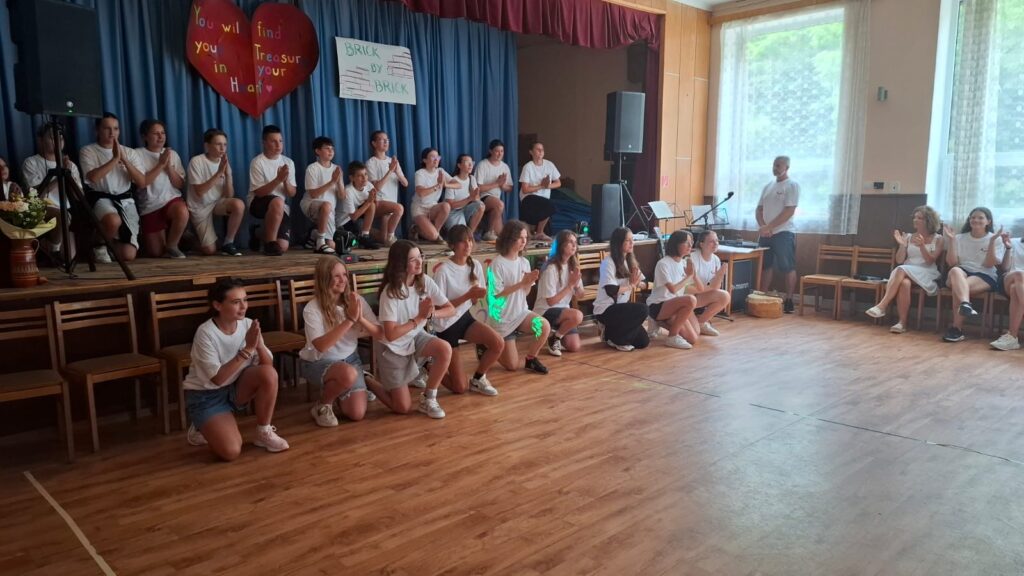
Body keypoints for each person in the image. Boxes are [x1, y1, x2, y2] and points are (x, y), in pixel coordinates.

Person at [182, 277, 289, 460]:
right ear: (217, 305)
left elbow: (267, 368)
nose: (243, 306)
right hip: (207, 396)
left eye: (245, 300)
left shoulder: (247, 324)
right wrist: (247, 349)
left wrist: (259, 345)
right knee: (231, 452)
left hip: (236, 387)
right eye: (235, 302)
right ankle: (200, 425)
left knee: (269, 374)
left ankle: (263, 432)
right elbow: (217, 379)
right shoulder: (205, 333)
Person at [301, 256, 385, 427]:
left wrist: (360, 319)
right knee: (348, 374)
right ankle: (323, 405)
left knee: (356, 413)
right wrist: (350, 320)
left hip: (350, 359)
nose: (343, 280)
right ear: (325, 279)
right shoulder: (312, 308)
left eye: (344, 275)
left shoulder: (356, 300)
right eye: (337, 276)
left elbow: (379, 334)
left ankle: (357, 380)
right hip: (318, 361)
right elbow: (321, 346)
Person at [378, 240, 456, 418]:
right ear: (400, 264)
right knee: (402, 407)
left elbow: (450, 309)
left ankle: (428, 398)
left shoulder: (425, 281)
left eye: (420, 256)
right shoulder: (390, 292)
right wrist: (419, 318)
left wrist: (430, 314)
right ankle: (367, 379)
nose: (419, 262)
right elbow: (390, 334)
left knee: (444, 348)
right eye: (413, 259)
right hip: (392, 347)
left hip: (415, 335)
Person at [431, 225, 504, 396]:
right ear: (452, 245)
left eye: (470, 240)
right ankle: (427, 365)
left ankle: (478, 378)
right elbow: (439, 308)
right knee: (459, 388)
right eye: (463, 242)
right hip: (445, 326)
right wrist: (468, 296)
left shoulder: (475, 265)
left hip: (463, 318)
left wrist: (479, 295)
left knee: (498, 343)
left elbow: (475, 299)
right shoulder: (443, 271)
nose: (468, 245)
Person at [481, 220, 550, 373]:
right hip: (503, 318)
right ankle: (486, 344)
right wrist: (521, 283)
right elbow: (496, 296)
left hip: (520, 313)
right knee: (511, 366)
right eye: (520, 238)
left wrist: (528, 283)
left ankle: (531, 359)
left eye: (525, 238)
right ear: (509, 239)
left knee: (544, 326)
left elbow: (525, 293)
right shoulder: (497, 264)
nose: (524, 242)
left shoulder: (524, 262)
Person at [79, 112, 147, 263]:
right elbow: (92, 178)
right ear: (97, 130)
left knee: (128, 255)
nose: (112, 133)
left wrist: (125, 161)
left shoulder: (129, 152)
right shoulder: (88, 151)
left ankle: (111, 242)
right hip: (101, 198)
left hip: (125, 200)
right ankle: (99, 245)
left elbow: (142, 182)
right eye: (107, 128)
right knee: (113, 220)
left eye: (116, 129)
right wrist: (115, 159)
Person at [865, 206, 944, 333]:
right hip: (907, 270)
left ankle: (882, 305)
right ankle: (902, 323)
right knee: (904, 283)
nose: (915, 220)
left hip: (927, 272)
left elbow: (930, 261)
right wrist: (902, 245)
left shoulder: (938, 239)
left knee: (901, 270)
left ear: (928, 221)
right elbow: (899, 260)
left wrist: (922, 246)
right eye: (915, 217)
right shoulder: (908, 237)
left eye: (919, 218)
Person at [942, 207, 1004, 343]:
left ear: (988, 221)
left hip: (984, 274)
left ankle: (956, 329)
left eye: (980, 218)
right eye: (973, 217)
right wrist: (952, 240)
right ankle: (965, 304)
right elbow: (952, 263)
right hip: (961, 273)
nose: (976, 220)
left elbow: (989, 264)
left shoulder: (995, 239)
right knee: (955, 271)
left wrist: (992, 242)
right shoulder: (959, 238)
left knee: (959, 288)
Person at [22, 125, 82, 259]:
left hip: (66, 212)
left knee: (68, 257)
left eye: (61, 137)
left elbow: (79, 197)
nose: (58, 140)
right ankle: (53, 250)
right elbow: (35, 196)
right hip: (43, 209)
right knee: (61, 215)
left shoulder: (70, 165)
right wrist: (59, 174)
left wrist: (68, 174)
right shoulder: (31, 162)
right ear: (40, 140)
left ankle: (48, 246)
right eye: (52, 137)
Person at [134, 119, 188, 259]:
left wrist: (169, 167)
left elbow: (180, 185)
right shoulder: (136, 154)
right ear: (145, 137)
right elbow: (142, 183)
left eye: (163, 133)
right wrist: (160, 164)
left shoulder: (172, 154)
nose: (160, 137)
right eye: (155, 133)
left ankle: (173, 245)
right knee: (156, 253)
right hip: (149, 206)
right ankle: (184, 240)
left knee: (182, 210)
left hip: (171, 201)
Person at [187, 128, 245, 256]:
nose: (222, 148)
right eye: (218, 144)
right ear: (207, 146)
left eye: (225, 144)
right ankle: (188, 239)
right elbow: (199, 192)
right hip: (200, 206)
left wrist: (228, 175)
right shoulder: (196, 161)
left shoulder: (224, 163)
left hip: (217, 203)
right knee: (210, 250)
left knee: (238, 204)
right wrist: (219, 173)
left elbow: (229, 195)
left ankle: (228, 243)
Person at [756, 155, 800, 313]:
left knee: (787, 266)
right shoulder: (768, 186)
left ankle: (789, 299)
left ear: (787, 168)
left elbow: (789, 211)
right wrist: (763, 227)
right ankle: (761, 297)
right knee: (765, 266)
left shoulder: (792, 185)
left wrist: (770, 226)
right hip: (766, 233)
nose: (775, 168)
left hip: (783, 232)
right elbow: (759, 209)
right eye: (774, 165)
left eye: (779, 166)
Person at [595, 226, 651, 351]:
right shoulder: (608, 263)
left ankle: (611, 334)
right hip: (606, 309)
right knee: (643, 309)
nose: (632, 243)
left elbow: (643, 282)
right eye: (627, 240)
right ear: (618, 242)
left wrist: (640, 284)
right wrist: (631, 285)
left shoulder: (630, 261)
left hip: (621, 308)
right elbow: (611, 290)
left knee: (643, 342)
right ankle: (617, 339)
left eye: (632, 240)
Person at [533, 229, 585, 356]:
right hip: (545, 311)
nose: (574, 245)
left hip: (564, 312)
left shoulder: (573, 266)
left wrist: (577, 286)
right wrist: (570, 285)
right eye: (570, 242)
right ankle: (555, 337)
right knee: (578, 315)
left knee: (574, 346)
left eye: (575, 242)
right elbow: (550, 302)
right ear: (561, 245)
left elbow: (580, 295)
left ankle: (555, 335)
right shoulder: (551, 268)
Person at [646, 230, 700, 350]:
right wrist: (689, 276)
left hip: (676, 305)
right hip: (658, 305)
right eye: (686, 242)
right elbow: (673, 289)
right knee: (691, 300)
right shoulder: (663, 263)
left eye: (691, 242)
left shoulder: (684, 263)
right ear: (676, 244)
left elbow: (695, 288)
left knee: (693, 338)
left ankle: (660, 323)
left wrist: (694, 275)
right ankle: (672, 337)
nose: (690, 245)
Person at [248, 125, 296, 256]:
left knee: (283, 246)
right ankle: (270, 244)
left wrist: (285, 181)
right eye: (273, 141)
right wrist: (277, 179)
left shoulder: (288, 162)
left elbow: (292, 193)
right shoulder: (257, 162)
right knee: (278, 201)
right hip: (258, 202)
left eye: (280, 141)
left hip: (280, 206)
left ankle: (258, 232)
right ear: (264, 143)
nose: (278, 145)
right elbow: (259, 192)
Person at [301, 136, 343, 254]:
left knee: (332, 246)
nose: (331, 151)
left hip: (329, 210)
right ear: (317, 151)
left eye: (332, 149)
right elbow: (313, 194)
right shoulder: (312, 168)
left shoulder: (336, 169)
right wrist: (332, 182)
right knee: (326, 205)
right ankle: (320, 242)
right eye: (327, 148)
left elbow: (342, 196)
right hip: (311, 204)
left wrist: (339, 181)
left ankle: (314, 234)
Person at [365, 130, 407, 245]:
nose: (385, 142)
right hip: (378, 202)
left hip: (391, 203)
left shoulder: (392, 161)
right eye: (382, 140)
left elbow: (405, 183)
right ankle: (391, 236)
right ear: (374, 143)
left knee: (382, 239)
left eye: (387, 140)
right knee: (399, 208)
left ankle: (363, 229)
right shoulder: (371, 163)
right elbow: (376, 187)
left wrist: (396, 171)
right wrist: (390, 171)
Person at [687, 230, 731, 336]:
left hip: (700, 294)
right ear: (701, 244)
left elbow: (716, 287)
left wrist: (720, 275)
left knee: (724, 296)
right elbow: (686, 288)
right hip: (687, 296)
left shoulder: (716, 259)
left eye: (717, 241)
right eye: (711, 241)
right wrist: (710, 287)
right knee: (694, 333)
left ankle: (702, 322)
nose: (715, 244)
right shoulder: (692, 258)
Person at [412, 147, 456, 242]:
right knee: (432, 236)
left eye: (437, 157)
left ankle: (437, 233)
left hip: (433, 208)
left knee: (446, 206)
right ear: (424, 160)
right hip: (420, 209)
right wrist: (438, 185)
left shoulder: (441, 171)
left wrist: (445, 184)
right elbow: (421, 193)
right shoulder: (420, 173)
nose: (436, 159)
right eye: (432, 157)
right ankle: (416, 229)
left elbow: (458, 184)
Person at [518, 142, 560, 242]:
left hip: (543, 200)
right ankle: (539, 232)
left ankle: (538, 232)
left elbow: (558, 183)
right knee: (551, 206)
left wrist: (547, 185)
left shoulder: (549, 165)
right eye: (538, 149)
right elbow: (525, 189)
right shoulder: (528, 167)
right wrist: (541, 186)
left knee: (549, 232)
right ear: (531, 152)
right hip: (529, 198)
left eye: (542, 149)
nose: (541, 151)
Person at [991, 230, 1024, 350]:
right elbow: (1005, 268)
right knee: (1019, 274)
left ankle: (1012, 337)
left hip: (1018, 288)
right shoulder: (1013, 242)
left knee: (1015, 289)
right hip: (1009, 278)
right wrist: (1008, 248)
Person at [337, 161, 381, 248]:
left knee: (373, 205)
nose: (364, 178)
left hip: (357, 218)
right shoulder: (348, 191)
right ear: (352, 178)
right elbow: (353, 217)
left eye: (365, 174)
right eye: (360, 176)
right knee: (352, 242)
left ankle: (365, 236)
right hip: (344, 222)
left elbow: (375, 204)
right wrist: (369, 201)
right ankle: (361, 236)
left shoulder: (369, 185)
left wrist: (374, 199)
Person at [473, 139, 511, 240]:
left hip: (496, 199)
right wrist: (497, 183)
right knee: (499, 204)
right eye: (497, 151)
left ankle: (488, 232)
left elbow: (510, 188)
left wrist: (502, 185)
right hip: (482, 197)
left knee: (500, 235)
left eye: (502, 151)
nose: (500, 154)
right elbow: (478, 188)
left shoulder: (505, 166)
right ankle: (489, 232)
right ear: (490, 151)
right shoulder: (482, 165)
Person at [445, 154, 485, 236]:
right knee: (460, 235)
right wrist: (469, 198)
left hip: (466, 209)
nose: (470, 165)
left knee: (481, 205)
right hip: (454, 212)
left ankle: (470, 234)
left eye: (472, 162)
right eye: (467, 162)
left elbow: (477, 199)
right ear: (459, 165)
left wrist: (475, 197)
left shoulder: (472, 178)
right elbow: (450, 205)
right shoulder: (453, 181)